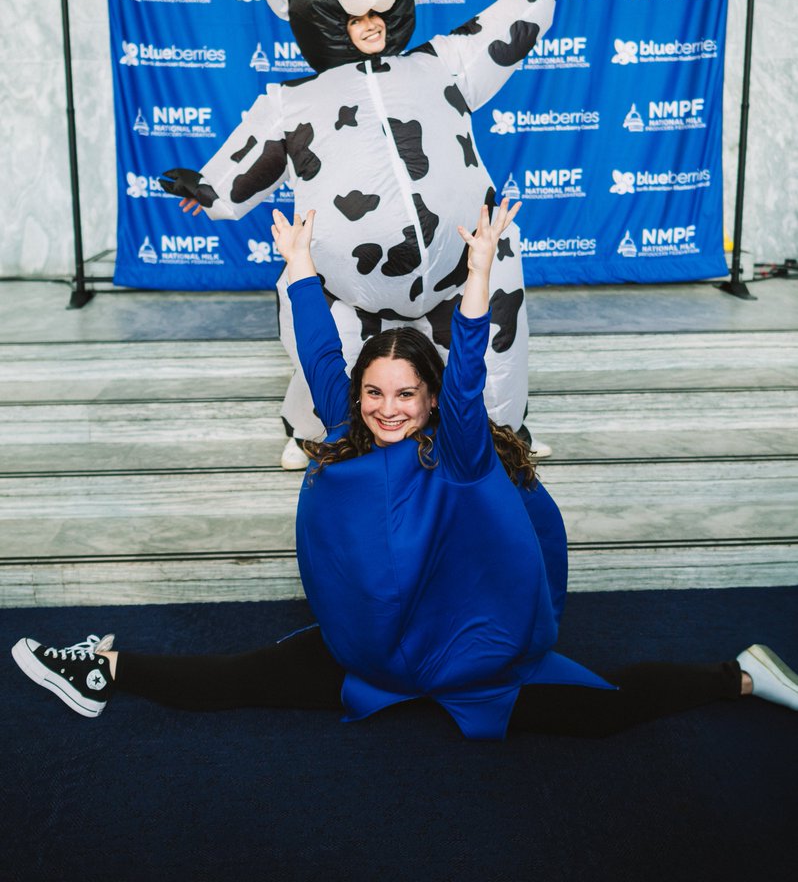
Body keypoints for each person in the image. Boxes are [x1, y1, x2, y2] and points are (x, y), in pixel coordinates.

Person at [11, 202, 798, 737]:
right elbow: (322, 350)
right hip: (374, 648)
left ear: (429, 402)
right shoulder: (352, 426)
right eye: (376, 393)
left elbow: (465, 383)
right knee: (237, 679)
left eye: (406, 395)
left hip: (468, 654)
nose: (388, 408)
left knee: (607, 711)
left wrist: (479, 275)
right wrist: (295, 267)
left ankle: (737, 676)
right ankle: (99, 667)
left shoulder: (457, 453)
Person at [163, 0, 557, 472]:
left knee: (499, 322)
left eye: (377, 13)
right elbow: (247, 158)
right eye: (352, 18)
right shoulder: (293, 101)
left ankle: (503, 435)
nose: (368, 25)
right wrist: (210, 190)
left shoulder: (439, 63)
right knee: (321, 334)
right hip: (352, 286)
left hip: (461, 267)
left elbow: (495, 33)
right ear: (319, 17)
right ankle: (314, 430)